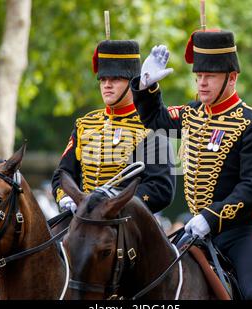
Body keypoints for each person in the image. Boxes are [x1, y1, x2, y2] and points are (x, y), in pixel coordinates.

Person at [130, 29, 252, 300]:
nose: (202, 84)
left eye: (210, 76)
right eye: (198, 77)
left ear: (232, 78)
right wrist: (147, 86)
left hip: (244, 231)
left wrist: (211, 216)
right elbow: (156, 119)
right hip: (197, 230)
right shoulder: (192, 113)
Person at [51, 38, 176, 218]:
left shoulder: (151, 125)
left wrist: (114, 202)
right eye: (103, 79)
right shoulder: (85, 124)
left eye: (116, 78)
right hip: (80, 219)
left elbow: (161, 188)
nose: (107, 85)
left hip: (125, 222)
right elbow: (63, 173)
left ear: (132, 82)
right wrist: (66, 198)